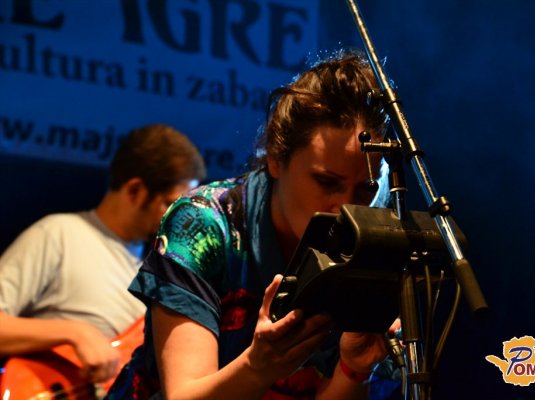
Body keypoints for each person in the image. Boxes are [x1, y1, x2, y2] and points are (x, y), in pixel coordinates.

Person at [107, 50, 399, 399]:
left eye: (366, 189)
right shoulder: (202, 224)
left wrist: (354, 370)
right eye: (326, 182)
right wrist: (257, 368)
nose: (347, 209)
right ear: (275, 159)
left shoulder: (374, 246)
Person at [0, 124, 206, 385]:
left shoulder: (156, 270)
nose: (177, 218)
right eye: (169, 203)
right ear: (135, 190)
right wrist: (75, 332)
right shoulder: (59, 234)